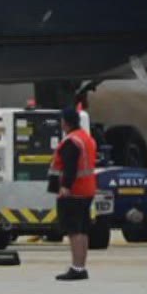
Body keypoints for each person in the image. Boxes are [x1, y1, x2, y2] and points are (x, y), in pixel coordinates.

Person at [48, 104, 99, 282]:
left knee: (74, 231)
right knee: (83, 230)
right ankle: (81, 266)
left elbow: (70, 167)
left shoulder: (71, 142)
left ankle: (77, 267)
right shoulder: (86, 138)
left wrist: (65, 187)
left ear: (65, 122)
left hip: (74, 192)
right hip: (87, 190)